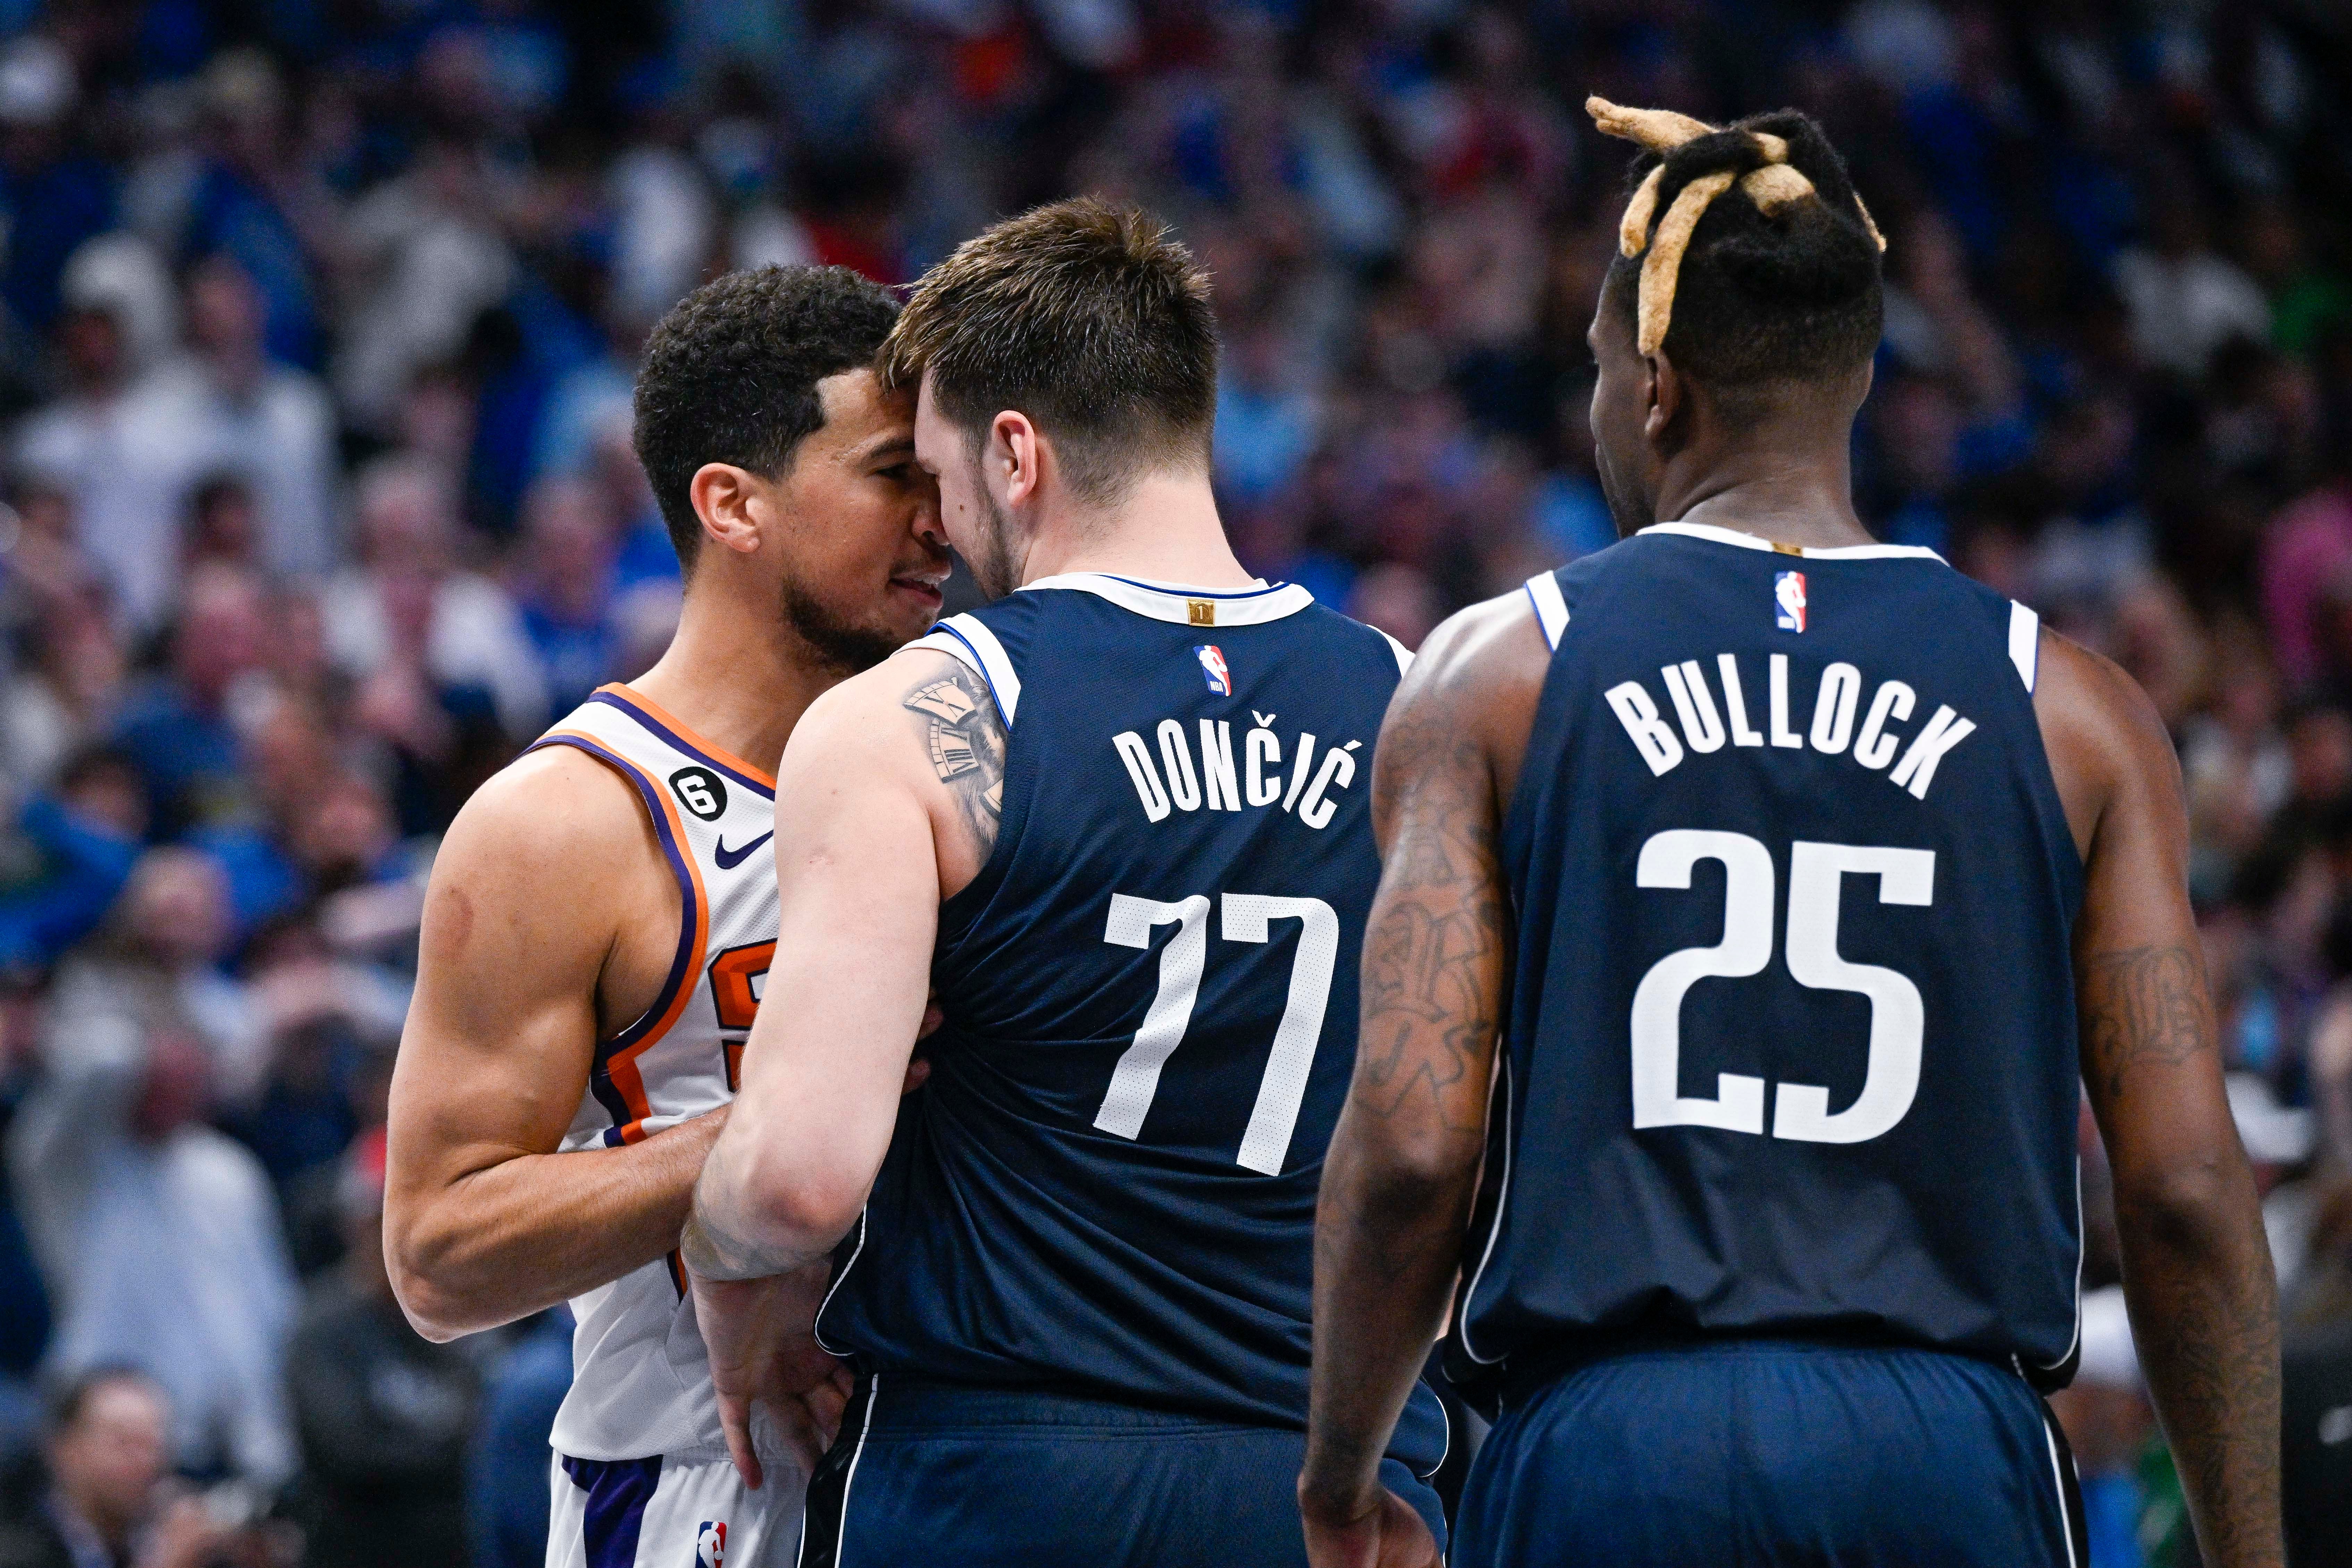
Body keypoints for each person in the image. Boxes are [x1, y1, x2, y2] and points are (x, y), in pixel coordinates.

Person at [1296, 101, 2283, 1568]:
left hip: (1611, 1446)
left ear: (1653, 388)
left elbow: (1410, 1141)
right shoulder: (2077, 712)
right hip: (1948, 1451)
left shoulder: (1492, 679)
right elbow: (2187, 1188)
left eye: (1599, 369)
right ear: (1861, 371)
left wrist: (1340, 1468)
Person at [684, 198, 1449, 1568]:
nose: (935, 525)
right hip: (1330, 1465)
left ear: (1014, 453)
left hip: (1008, 1474)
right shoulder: (1418, 702)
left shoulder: (915, 717)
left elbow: (798, 1180)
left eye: (936, 473)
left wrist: (720, 1262)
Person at [382, 265, 948, 1568]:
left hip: (964, 1466)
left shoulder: (974, 763)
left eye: (941, 477)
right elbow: (439, 1254)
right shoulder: (567, 821)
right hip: (704, 1483)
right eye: (891, 477)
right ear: (732, 503)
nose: (939, 524)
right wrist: (766, 1147)